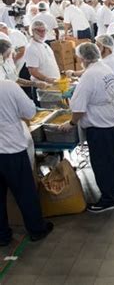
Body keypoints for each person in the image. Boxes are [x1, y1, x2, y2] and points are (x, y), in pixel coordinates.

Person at [59, 43, 114, 213]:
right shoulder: (104, 68)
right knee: (113, 159)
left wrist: (71, 123)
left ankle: (108, 199)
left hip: (100, 125)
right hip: (113, 120)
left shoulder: (89, 76)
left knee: (102, 163)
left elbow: (79, 109)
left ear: (82, 58)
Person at [0, 79, 54, 244]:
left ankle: (2, 236)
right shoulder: (8, 86)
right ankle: (36, 229)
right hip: (11, 149)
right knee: (25, 192)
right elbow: (30, 112)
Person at [25, 21, 60, 103]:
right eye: (39, 31)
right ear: (32, 31)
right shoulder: (31, 48)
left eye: (44, 30)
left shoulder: (44, 44)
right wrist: (47, 79)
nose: (42, 33)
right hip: (42, 87)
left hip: (53, 85)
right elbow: (33, 71)